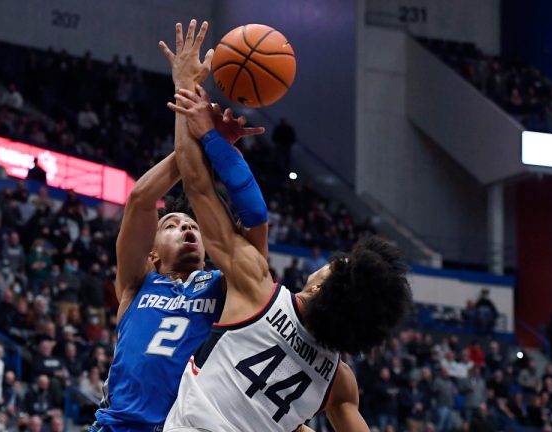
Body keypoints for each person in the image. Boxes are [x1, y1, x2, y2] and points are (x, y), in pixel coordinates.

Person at [162, 20, 411, 432]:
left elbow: (197, 187)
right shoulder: (338, 383)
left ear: (316, 288)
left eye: (335, 265)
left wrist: (189, 92)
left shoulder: (256, 288)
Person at [92, 20, 267, 432]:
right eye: (172, 224)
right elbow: (138, 200)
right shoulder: (136, 286)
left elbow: (256, 226)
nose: (187, 228)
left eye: (193, 226)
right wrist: (199, 135)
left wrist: (212, 144)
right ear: (152, 253)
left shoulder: (225, 286)